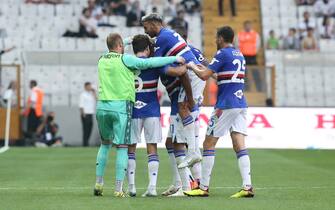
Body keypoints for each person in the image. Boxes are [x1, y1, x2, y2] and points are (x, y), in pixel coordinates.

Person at [93, 33, 185, 197]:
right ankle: (145, 187)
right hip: (141, 109)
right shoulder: (133, 61)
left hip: (119, 108)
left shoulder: (103, 58)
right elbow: (153, 63)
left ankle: (125, 186)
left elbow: (112, 48)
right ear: (148, 48)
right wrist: (174, 59)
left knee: (119, 147)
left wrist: (127, 41)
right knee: (148, 148)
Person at [184, 26, 254, 198]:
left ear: (221, 38)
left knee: (208, 144)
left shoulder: (222, 54)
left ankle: (204, 187)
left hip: (225, 105)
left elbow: (203, 76)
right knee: (239, 144)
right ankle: (247, 187)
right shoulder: (239, 54)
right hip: (240, 103)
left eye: (216, 38)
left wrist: (191, 65)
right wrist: (203, 67)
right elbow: (220, 76)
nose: (215, 40)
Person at [127, 34, 188, 197]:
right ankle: (152, 188)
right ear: (148, 48)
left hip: (133, 110)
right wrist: (185, 66)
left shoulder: (127, 62)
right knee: (152, 148)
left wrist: (128, 42)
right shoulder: (155, 62)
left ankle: (131, 187)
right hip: (152, 110)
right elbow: (175, 71)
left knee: (130, 149)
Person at [142, 13, 204, 171]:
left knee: (183, 108)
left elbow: (162, 65)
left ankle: (193, 153)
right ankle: (187, 175)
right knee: (177, 133)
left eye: (146, 27)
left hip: (190, 74)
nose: (145, 31)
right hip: (193, 73)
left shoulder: (162, 39)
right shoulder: (167, 35)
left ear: (153, 23)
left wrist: (190, 98)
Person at [161, 26, 208, 197]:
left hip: (185, 103)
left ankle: (189, 185)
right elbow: (207, 70)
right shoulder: (188, 53)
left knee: (183, 144)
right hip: (184, 102)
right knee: (171, 142)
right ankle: (184, 183)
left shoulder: (183, 55)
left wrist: (194, 96)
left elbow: (201, 71)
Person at [79, 82, 96, 147]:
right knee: (85, 129)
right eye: (89, 86)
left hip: (91, 113)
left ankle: (87, 142)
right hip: (85, 114)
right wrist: (82, 113)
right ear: (85, 87)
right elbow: (81, 105)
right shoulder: (83, 95)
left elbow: (97, 99)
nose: (90, 87)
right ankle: (85, 144)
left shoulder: (91, 94)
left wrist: (94, 92)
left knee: (90, 128)